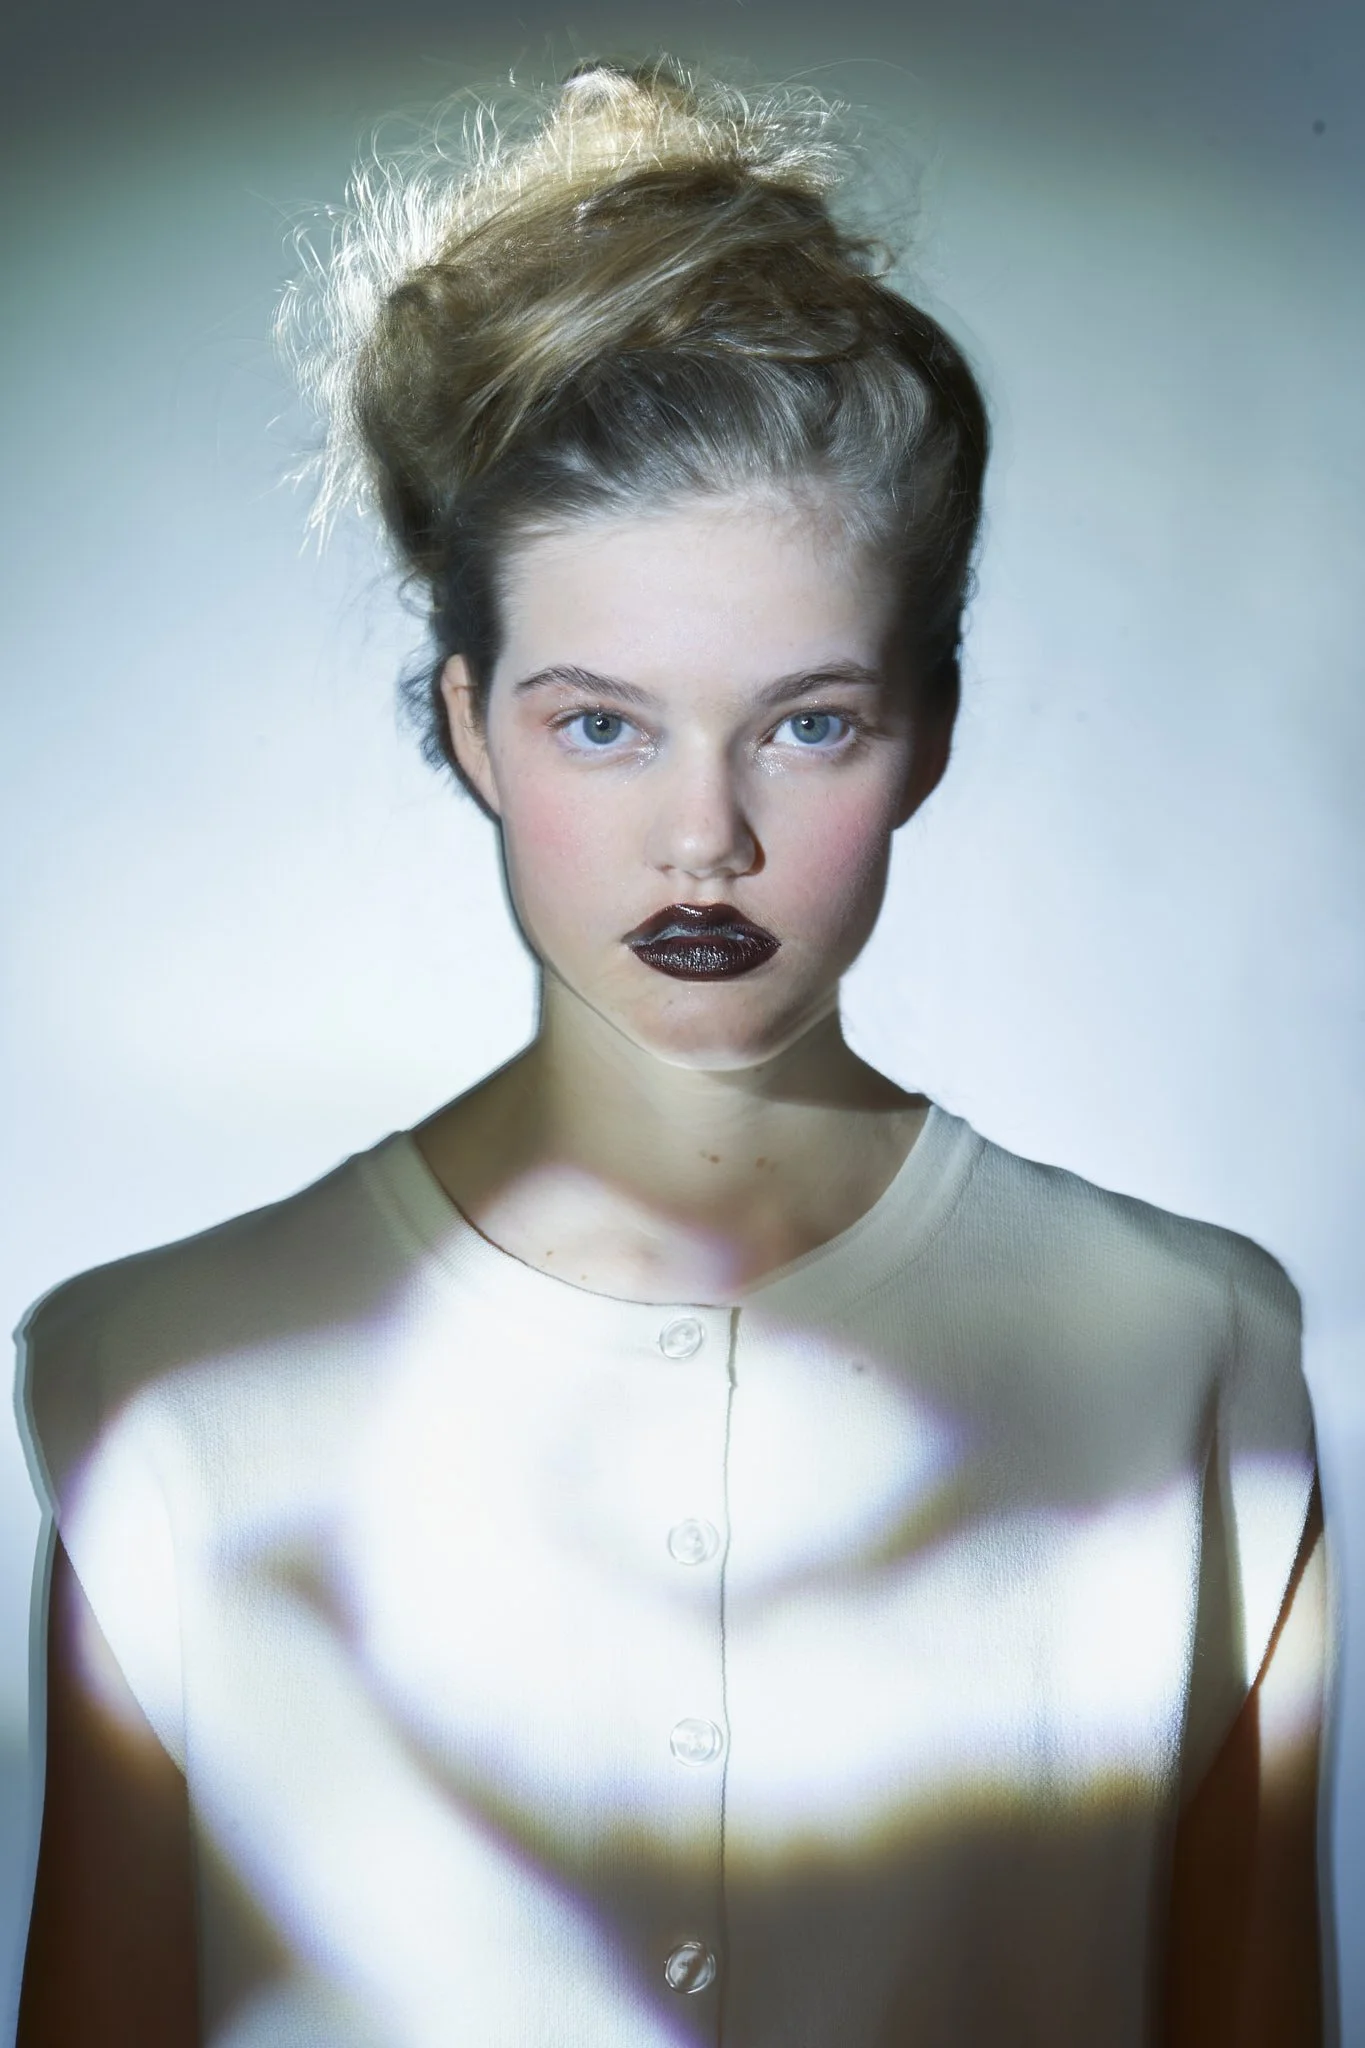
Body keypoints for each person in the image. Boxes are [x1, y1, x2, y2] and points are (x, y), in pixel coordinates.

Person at [13, 55, 1331, 2048]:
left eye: (805, 723)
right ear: (469, 721)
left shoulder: (1191, 1361)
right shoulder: (159, 1385)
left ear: (928, 726)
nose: (702, 839)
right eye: (600, 724)